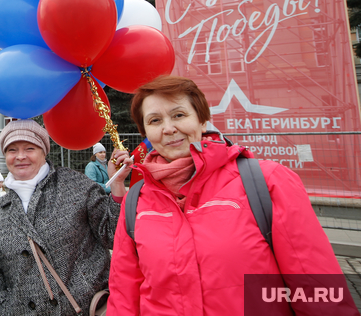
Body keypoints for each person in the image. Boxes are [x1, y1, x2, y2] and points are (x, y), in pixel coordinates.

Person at [107, 76, 350, 315]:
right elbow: (124, 294)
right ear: (146, 132)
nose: (168, 128)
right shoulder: (136, 200)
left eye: (179, 115)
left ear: (202, 121)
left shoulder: (267, 181)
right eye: (155, 120)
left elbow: (317, 290)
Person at [0, 120, 130, 315]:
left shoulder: (75, 186)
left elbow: (114, 235)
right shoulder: (0, 209)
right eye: (12, 150)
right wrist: (0, 307)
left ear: (44, 151)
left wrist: (117, 184)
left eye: (29, 148)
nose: (20, 156)